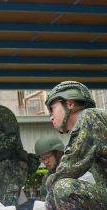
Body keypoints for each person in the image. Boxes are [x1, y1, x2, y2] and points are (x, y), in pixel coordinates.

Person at [44, 81, 107, 210]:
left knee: (65, 189)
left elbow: (70, 166)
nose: (51, 117)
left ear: (70, 103)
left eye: (52, 109)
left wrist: (49, 186)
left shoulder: (89, 116)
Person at [34, 136, 65, 200]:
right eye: (42, 159)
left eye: (48, 157)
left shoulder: (73, 171)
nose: (45, 162)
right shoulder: (47, 177)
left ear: (58, 154)